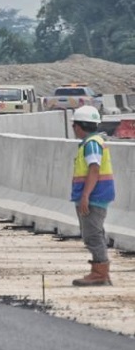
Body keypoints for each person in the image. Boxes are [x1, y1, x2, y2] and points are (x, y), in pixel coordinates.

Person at [70, 105, 115, 286]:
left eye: (74, 125)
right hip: (97, 195)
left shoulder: (91, 144)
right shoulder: (92, 142)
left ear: (80, 126)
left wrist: (85, 196)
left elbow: (94, 169)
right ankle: (100, 272)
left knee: (92, 235)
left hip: (94, 196)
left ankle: (100, 274)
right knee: (94, 233)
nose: (73, 129)